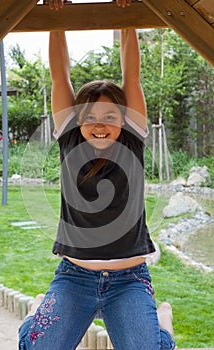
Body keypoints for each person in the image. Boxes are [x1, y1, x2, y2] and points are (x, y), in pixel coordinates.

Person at [19, 1, 176, 349]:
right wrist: (56, 17)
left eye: (110, 115)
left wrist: (127, 18)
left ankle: (162, 321)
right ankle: (35, 313)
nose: (100, 124)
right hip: (74, 277)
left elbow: (130, 76)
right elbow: (60, 76)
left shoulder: (133, 140)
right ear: (79, 119)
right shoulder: (70, 138)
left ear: (123, 117)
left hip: (130, 280)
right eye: (90, 116)